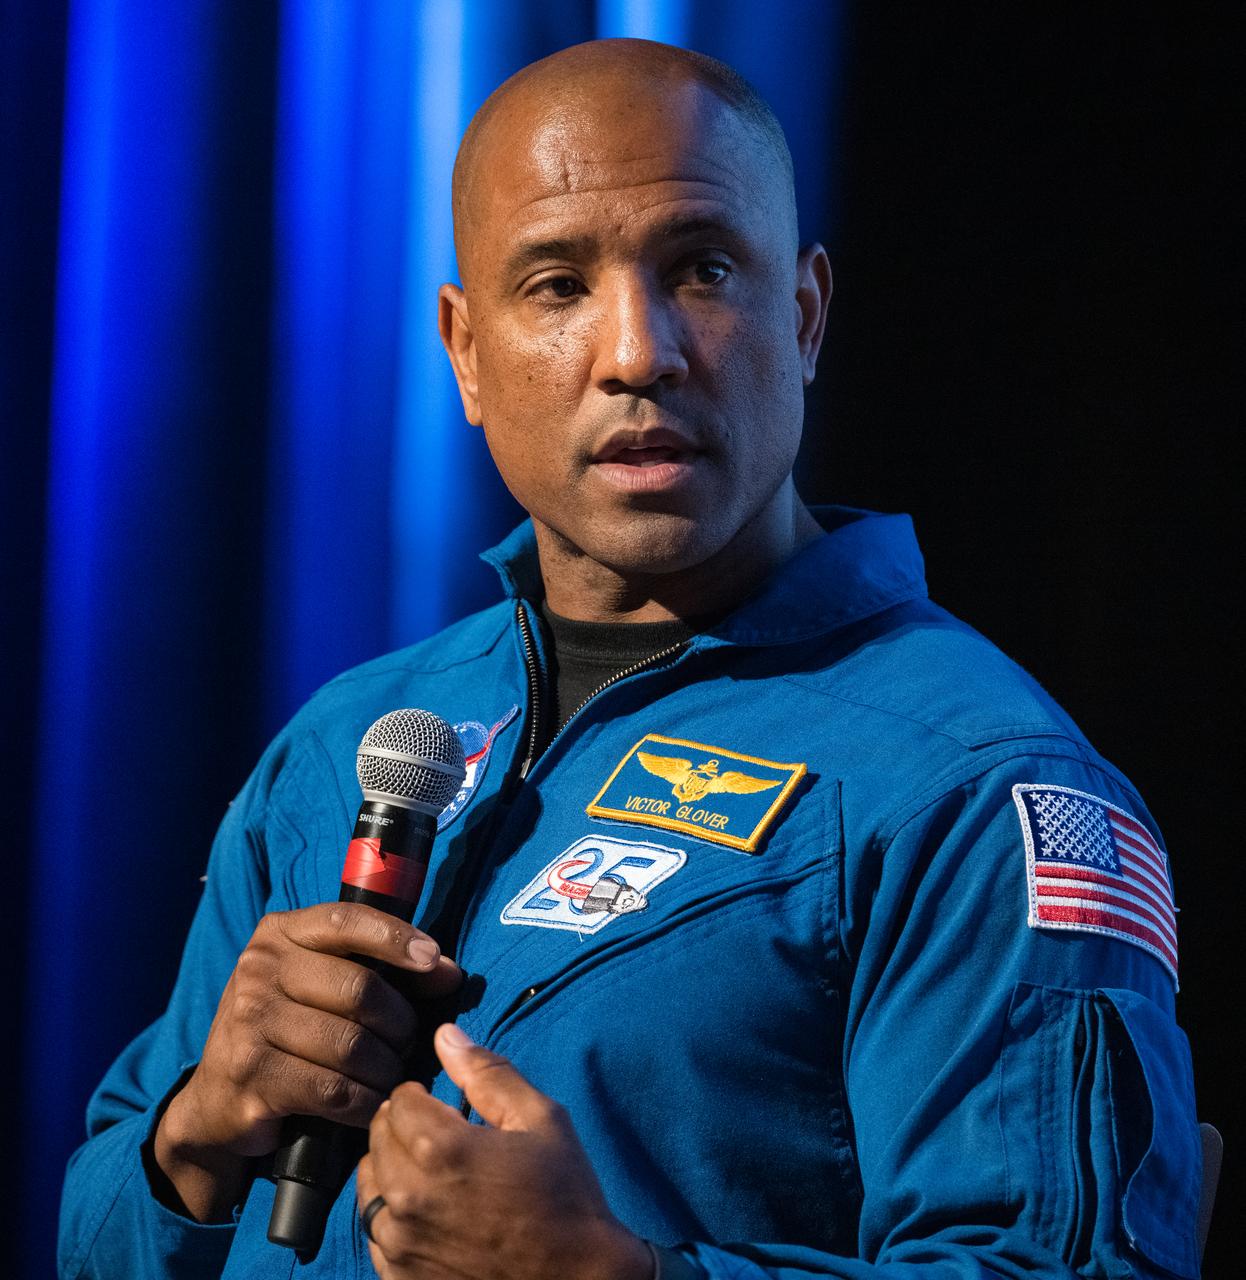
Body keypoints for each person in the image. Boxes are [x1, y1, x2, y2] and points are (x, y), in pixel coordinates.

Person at [59, 38, 1201, 1280]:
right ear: (466, 352)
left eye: (701, 270)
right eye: (555, 285)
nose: (637, 352)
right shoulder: (352, 738)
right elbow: (94, 1239)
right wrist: (196, 1134)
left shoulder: (976, 783)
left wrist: (607, 1274)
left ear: (805, 315)